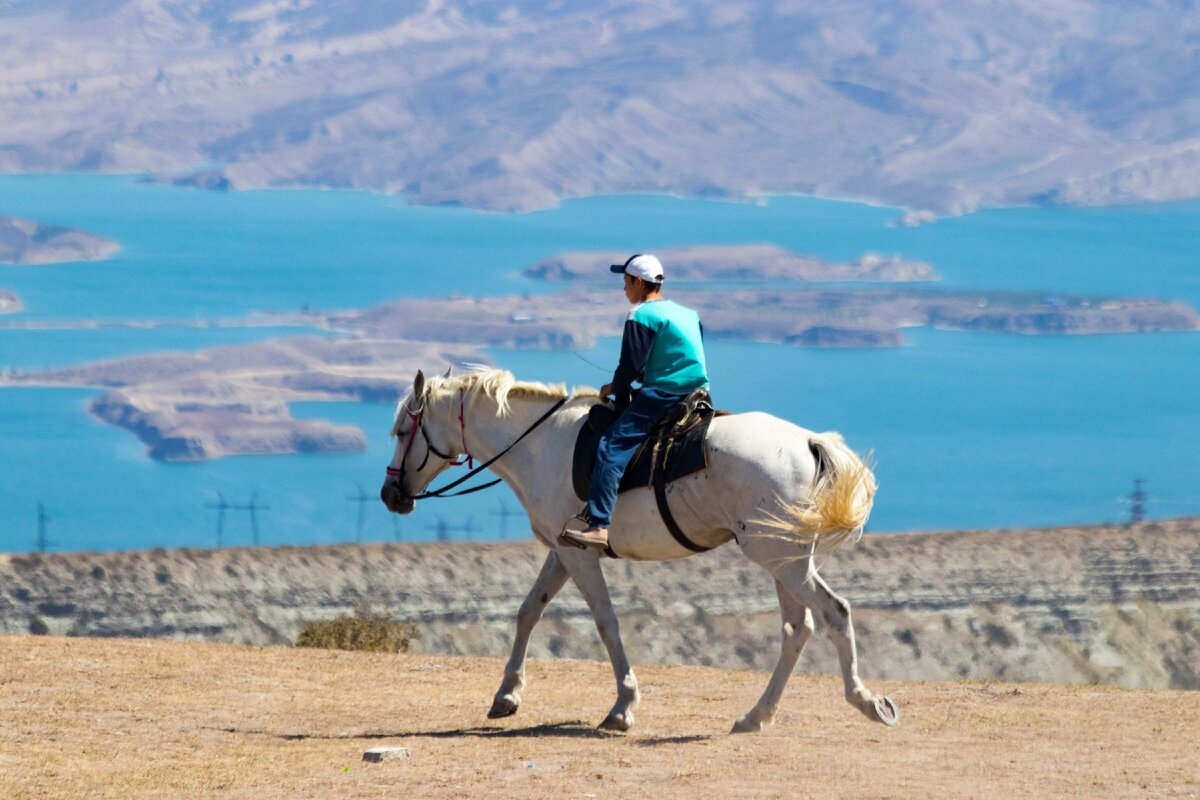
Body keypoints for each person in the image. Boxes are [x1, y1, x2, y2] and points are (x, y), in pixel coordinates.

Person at [560, 254, 709, 550]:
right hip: (699, 393)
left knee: (610, 447)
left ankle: (599, 525)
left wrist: (613, 389)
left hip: (662, 396)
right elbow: (679, 354)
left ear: (638, 282)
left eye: (625, 282)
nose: (624, 289)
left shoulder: (641, 315)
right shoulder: (688, 313)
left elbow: (628, 369)